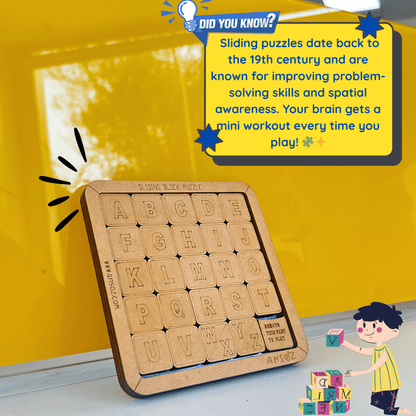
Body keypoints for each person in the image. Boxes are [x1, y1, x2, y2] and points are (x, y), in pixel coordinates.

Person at [342, 302, 411, 415]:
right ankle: (401, 410)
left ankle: (404, 411)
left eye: (374, 326)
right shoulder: (377, 350)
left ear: (393, 332)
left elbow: (376, 366)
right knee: (375, 402)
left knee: (388, 410)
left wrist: (357, 373)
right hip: (380, 383)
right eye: (364, 326)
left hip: (390, 384)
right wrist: (345, 343)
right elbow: (361, 350)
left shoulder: (384, 352)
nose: (367, 331)